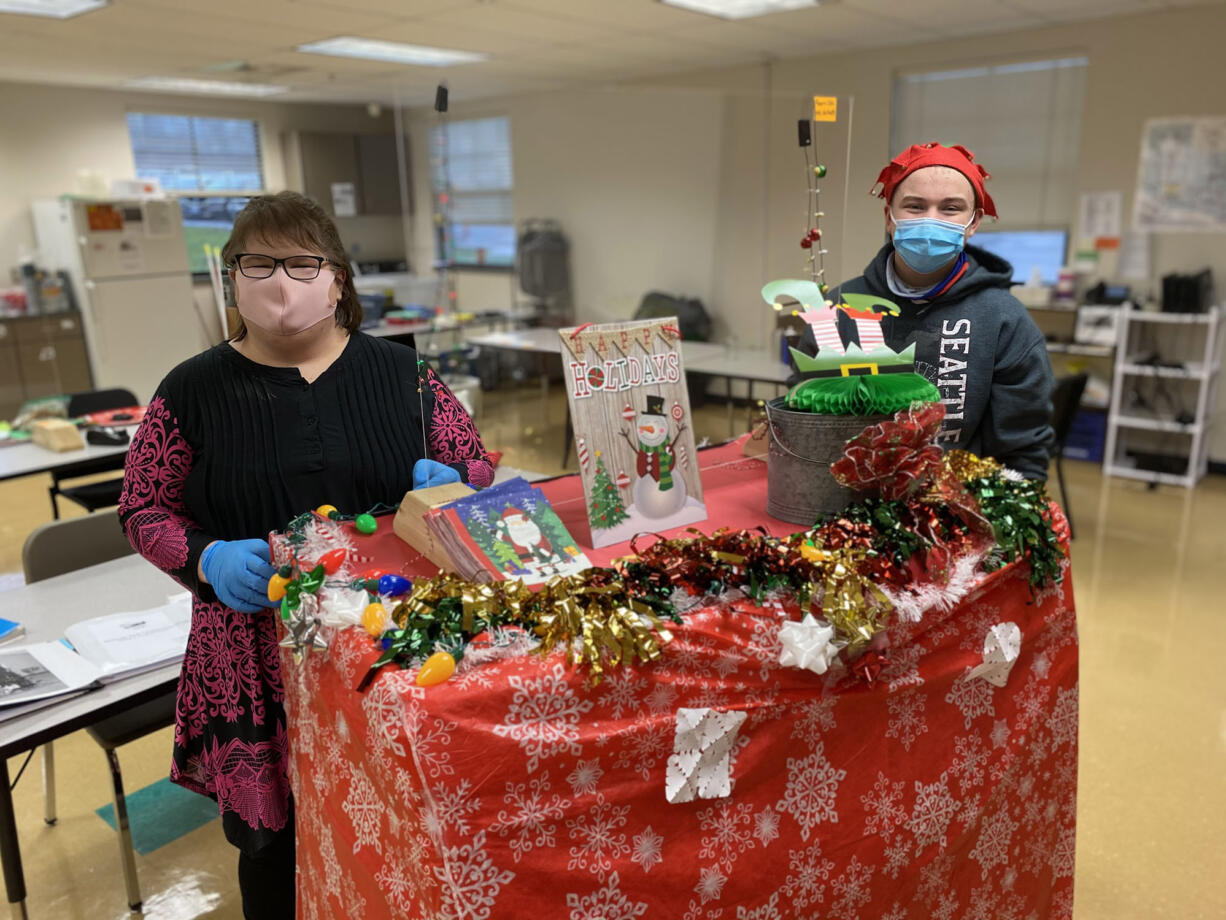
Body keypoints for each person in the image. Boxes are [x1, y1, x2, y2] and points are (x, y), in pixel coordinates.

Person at [118, 191, 495, 918]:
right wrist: (206, 557)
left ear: (339, 278)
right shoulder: (191, 389)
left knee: (399, 819)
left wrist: (456, 484)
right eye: (257, 264)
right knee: (276, 850)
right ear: (231, 277)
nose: (280, 284)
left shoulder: (404, 376)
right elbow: (142, 507)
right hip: (255, 657)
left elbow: (474, 465)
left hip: (391, 641)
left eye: (300, 262)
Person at [796, 142, 1054, 479]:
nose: (931, 221)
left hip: (951, 512)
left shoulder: (1005, 321)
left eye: (950, 208)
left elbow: (1023, 456)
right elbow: (803, 417)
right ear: (888, 216)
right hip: (842, 500)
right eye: (915, 206)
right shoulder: (838, 307)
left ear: (973, 223)